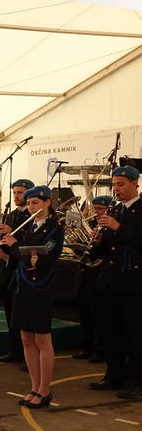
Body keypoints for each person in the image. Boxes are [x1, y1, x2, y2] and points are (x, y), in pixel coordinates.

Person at [0, 186, 63, 408]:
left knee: (42, 340)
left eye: (35, 203)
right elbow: (23, 257)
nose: (31, 207)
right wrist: (5, 252)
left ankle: (45, 390)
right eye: (29, 203)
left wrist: (15, 246)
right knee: (26, 339)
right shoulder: (29, 228)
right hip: (22, 287)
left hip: (40, 289)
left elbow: (41, 258)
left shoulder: (55, 229)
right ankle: (34, 387)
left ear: (47, 203)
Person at [88, 166, 142, 399]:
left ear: (135, 184)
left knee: (134, 333)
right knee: (111, 331)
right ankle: (114, 375)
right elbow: (109, 248)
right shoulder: (116, 209)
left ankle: (137, 382)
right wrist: (98, 240)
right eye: (114, 185)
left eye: (121, 184)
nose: (116, 189)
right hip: (110, 280)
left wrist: (117, 227)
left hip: (133, 282)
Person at [0, 179, 34, 365]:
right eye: (15, 192)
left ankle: (29, 355)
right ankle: (15, 350)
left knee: (24, 316)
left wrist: (12, 233)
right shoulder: (11, 214)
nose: (17, 196)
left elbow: (28, 243)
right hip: (8, 267)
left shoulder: (31, 216)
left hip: (23, 270)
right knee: (11, 313)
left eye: (20, 192)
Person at [73, 195, 111, 362]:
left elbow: (105, 252)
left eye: (101, 209)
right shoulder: (94, 225)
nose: (97, 212)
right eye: (95, 209)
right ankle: (87, 347)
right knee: (85, 312)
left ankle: (99, 350)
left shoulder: (109, 227)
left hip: (98, 274)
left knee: (98, 315)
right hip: (85, 272)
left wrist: (97, 243)